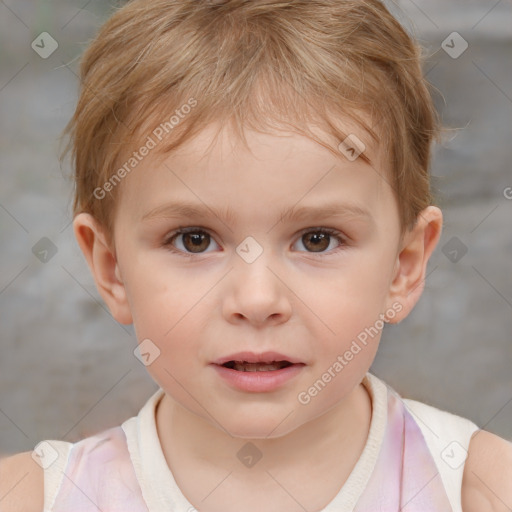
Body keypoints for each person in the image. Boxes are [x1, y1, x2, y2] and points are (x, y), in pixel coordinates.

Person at [1, 0, 511, 510]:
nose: (258, 299)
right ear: (112, 270)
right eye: (194, 240)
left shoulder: (481, 490)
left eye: (317, 239)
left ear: (405, 266)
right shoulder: (32, 497)